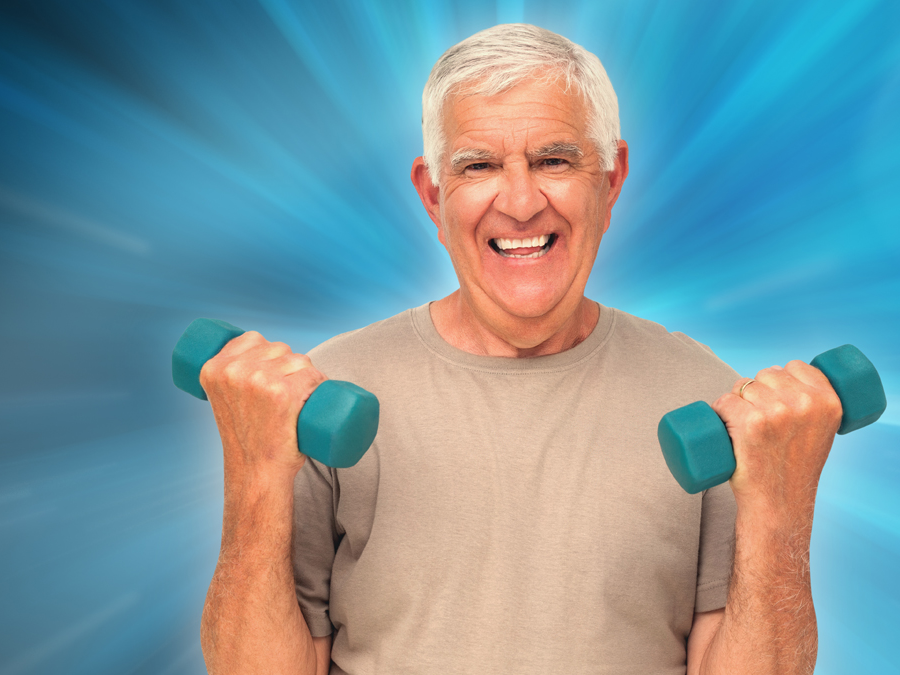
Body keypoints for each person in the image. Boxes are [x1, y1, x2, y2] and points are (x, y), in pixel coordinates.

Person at [198, 24, 841, 675]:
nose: (521, 201)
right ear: (434, 194)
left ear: (611, 180)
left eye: (554, 161)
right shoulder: (325, 392)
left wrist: (781, 514)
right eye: (478, 165)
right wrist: (253, 475)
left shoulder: (710, 400)